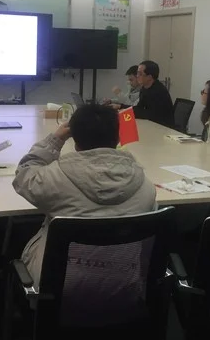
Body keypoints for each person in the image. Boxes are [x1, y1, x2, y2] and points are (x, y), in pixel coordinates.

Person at [12, 104, 157, 283]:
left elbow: (24, 175)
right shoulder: (146, 187)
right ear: (118, 137)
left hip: (58, 286)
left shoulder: (55, 178)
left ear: (75, 140)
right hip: (124, 286)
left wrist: (55, 140)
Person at [132, 61, 174, 127]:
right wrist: (121, 107)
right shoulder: (144, 88)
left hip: (163, 127)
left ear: (149, 77)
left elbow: (151, 115)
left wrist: (131, 112)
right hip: (152, 124)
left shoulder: (158, 91)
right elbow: (139, 108)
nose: (137, 76)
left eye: (140, 74)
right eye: (137, 73)